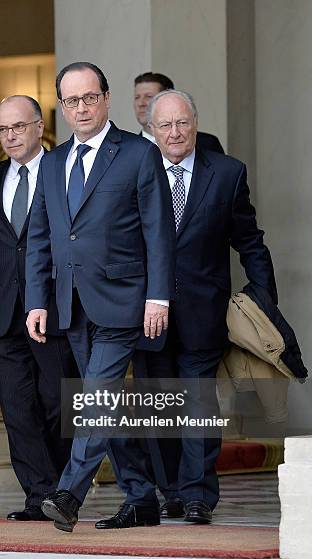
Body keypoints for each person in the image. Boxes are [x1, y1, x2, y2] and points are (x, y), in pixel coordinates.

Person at [26, 62, 175, 532]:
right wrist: (37, 300)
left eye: (90, 97)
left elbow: (159, 229)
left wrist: (158, 296)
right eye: (71, 100)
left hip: (124, 298)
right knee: (104, 402)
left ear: (107, 98)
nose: (81, 107)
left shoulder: (136, 153)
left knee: (96, 396)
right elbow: (41, 239)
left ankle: (69, 493)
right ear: (61, 107)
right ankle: (140, 497)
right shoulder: (51, 162)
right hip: (71, 303)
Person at [127, 89, 277, 524]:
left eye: (182, 123)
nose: (174, 133)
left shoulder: (227, 173)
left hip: (202, 311)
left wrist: (262, 296)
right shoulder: (134, 170)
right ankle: (170, 489)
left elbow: (248, 239)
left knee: (198, 405)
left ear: (195, 123)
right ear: (151, 131)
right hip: (145, 312)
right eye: (165, 125)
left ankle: (197, 495)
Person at [0, 95, 78, 521]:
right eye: (2, 129)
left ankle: (62, 488)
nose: (10, 136)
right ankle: (38, 496)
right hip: (3, 310)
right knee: (17, 408)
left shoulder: (65, 173)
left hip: (53, 308)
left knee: (57, 402)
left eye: (18, 127)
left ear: (40, 127)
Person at [133, 71, 224, 153]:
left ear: (169, 98)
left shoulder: (207, 144)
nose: (141, 103)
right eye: (137, 97)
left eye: (148, 96)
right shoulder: (129, 149)